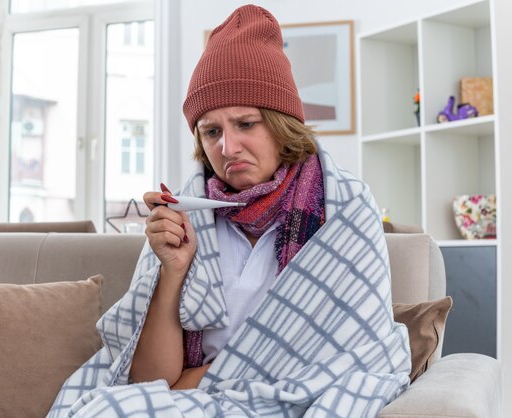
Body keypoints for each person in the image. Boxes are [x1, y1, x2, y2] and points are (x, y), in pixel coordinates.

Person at [48, 5, 411, 417]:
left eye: (246, 123)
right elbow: (152, 381)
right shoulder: (184, 215)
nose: (227, 147)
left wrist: (202, 378)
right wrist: (173, 270)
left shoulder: (343, 209)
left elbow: (352, 360)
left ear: (282, 124)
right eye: (211, 131)